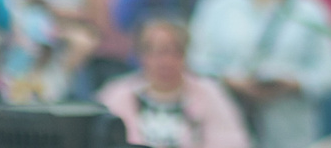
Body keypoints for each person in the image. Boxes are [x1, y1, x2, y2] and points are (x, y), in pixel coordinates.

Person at [185, 0, 331, 148]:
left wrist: (295, 82)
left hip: (290, 125)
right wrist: (230, 80)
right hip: (228, 120)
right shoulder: (216, 5)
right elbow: (196, 61)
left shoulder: (308, 10)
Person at [96, 19, 247, 148]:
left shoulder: (210, 92)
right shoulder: (115, 95)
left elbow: (232, 142)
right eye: (156, 52)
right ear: (141, 55)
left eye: (174, 51)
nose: (165, 61)